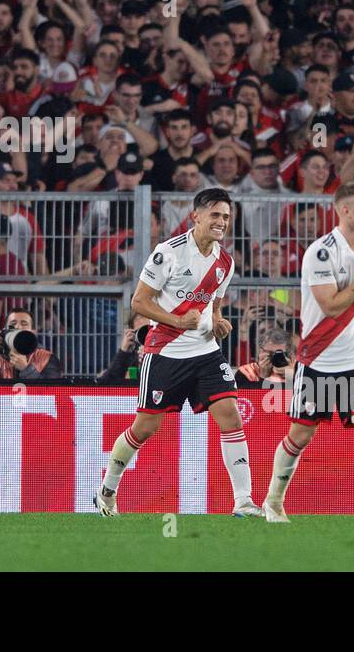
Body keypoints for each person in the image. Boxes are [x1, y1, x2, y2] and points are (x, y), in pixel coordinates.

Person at [96, 188, 258, 518]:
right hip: (165, 352)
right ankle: (107, 490)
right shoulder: (167, 253)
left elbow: (215, 303)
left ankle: (243, 501)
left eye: (226, 217)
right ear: (195, 216)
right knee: (145, 428)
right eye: (215, 215)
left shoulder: (225, 262)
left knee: (231, 414)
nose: (221, 222)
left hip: (206, 353)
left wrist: (218, 321)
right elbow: (139, 302)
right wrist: (177, 321)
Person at [262, 182, 354, 524]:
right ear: (344, 210)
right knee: (301, 434)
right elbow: (329, 306)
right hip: (319, 359)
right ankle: (272, 501)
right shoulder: (322, 252)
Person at [0, 308, 63, 379]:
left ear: (33, 332)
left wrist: (26, 369)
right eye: (13, 324)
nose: (18, 327)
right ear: (4, 330)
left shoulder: (46, 358)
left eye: (24, 323)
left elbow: (53, 392)